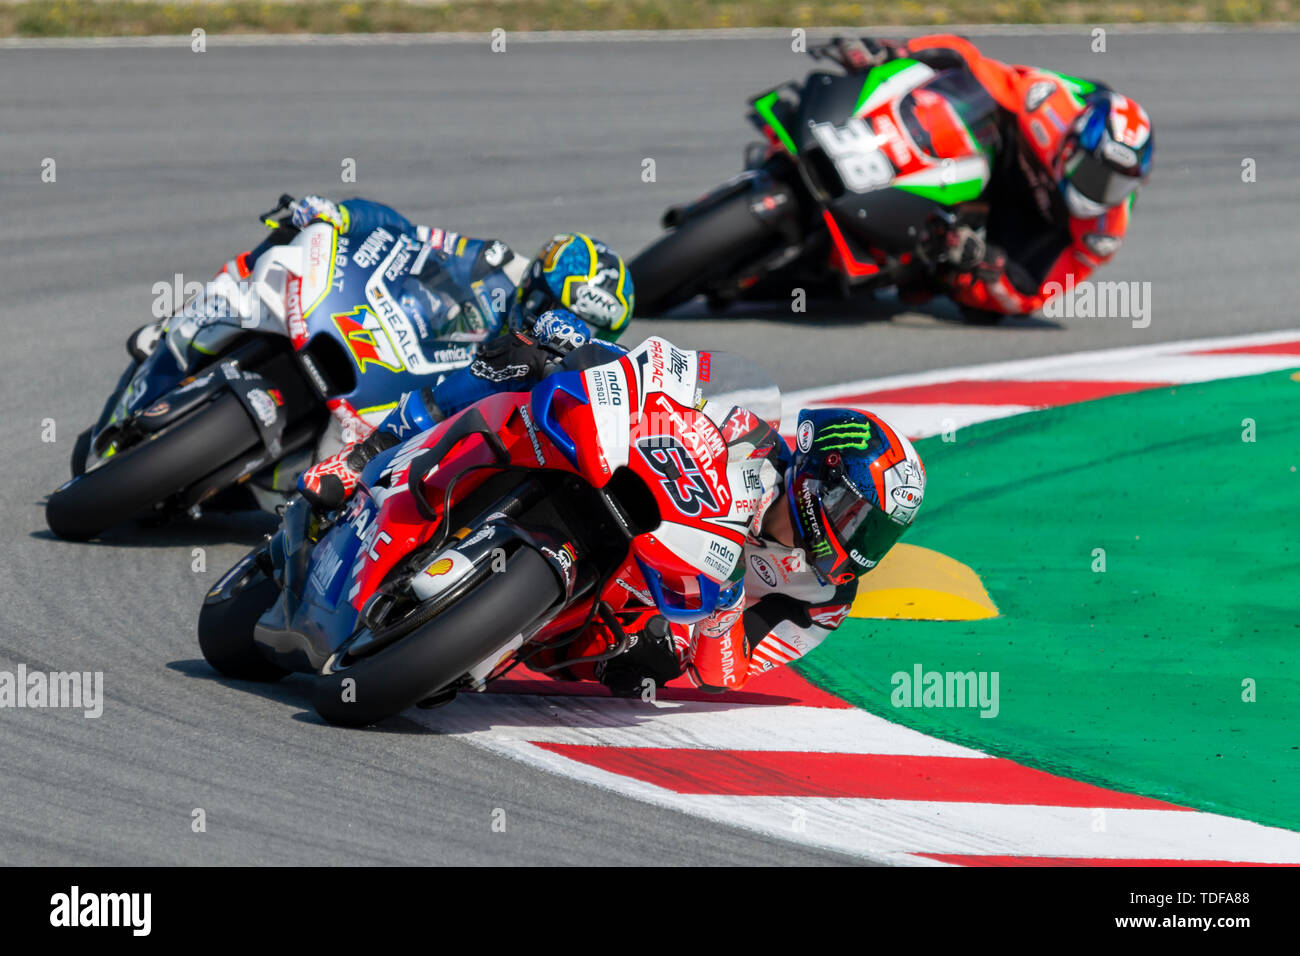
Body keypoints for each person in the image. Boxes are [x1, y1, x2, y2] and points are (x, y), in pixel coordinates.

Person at [300, 332, 927, 697]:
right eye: (855, 514)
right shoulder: (755, 434)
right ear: (822, 473)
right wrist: (611, 359)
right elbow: (679, 391)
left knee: (635, 660)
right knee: (522, 361)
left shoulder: (823, 600)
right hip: (641, 496)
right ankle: (369, 452)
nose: (856, 537)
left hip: (659, 606)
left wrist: (722, 608)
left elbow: (726, 671)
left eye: (874, 531)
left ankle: (478, 638)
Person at [815, 34, 1154, 321]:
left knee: (985, 311)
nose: (1101, 190)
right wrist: (899, 53)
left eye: (1117, 184)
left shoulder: (1102, 230)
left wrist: (990, 268)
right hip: (992, 162)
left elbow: (1036, 293)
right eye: (1094, 173)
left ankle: (910, 255)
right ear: (1071, 146)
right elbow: (968, 60)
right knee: (952, 89)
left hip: (1014, 230)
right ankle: (872, 102)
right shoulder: (1047, 104)